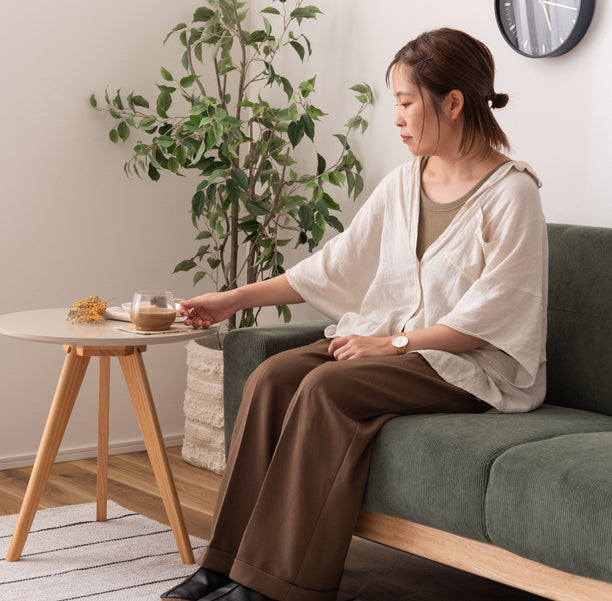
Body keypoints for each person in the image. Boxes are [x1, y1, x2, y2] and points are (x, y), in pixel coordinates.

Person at [162, 28, 548, 601]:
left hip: (468, 367)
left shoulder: (512, 195)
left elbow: (494, 316)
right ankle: (223, 564)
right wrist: (233, 299)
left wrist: (394, 346)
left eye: (406, 101)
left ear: (454, 102)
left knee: (324, 388)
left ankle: (273, 586)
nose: (396, 117)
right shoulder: (403, 184)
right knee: (270, 377)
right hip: (389, 342)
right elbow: (333, 268)